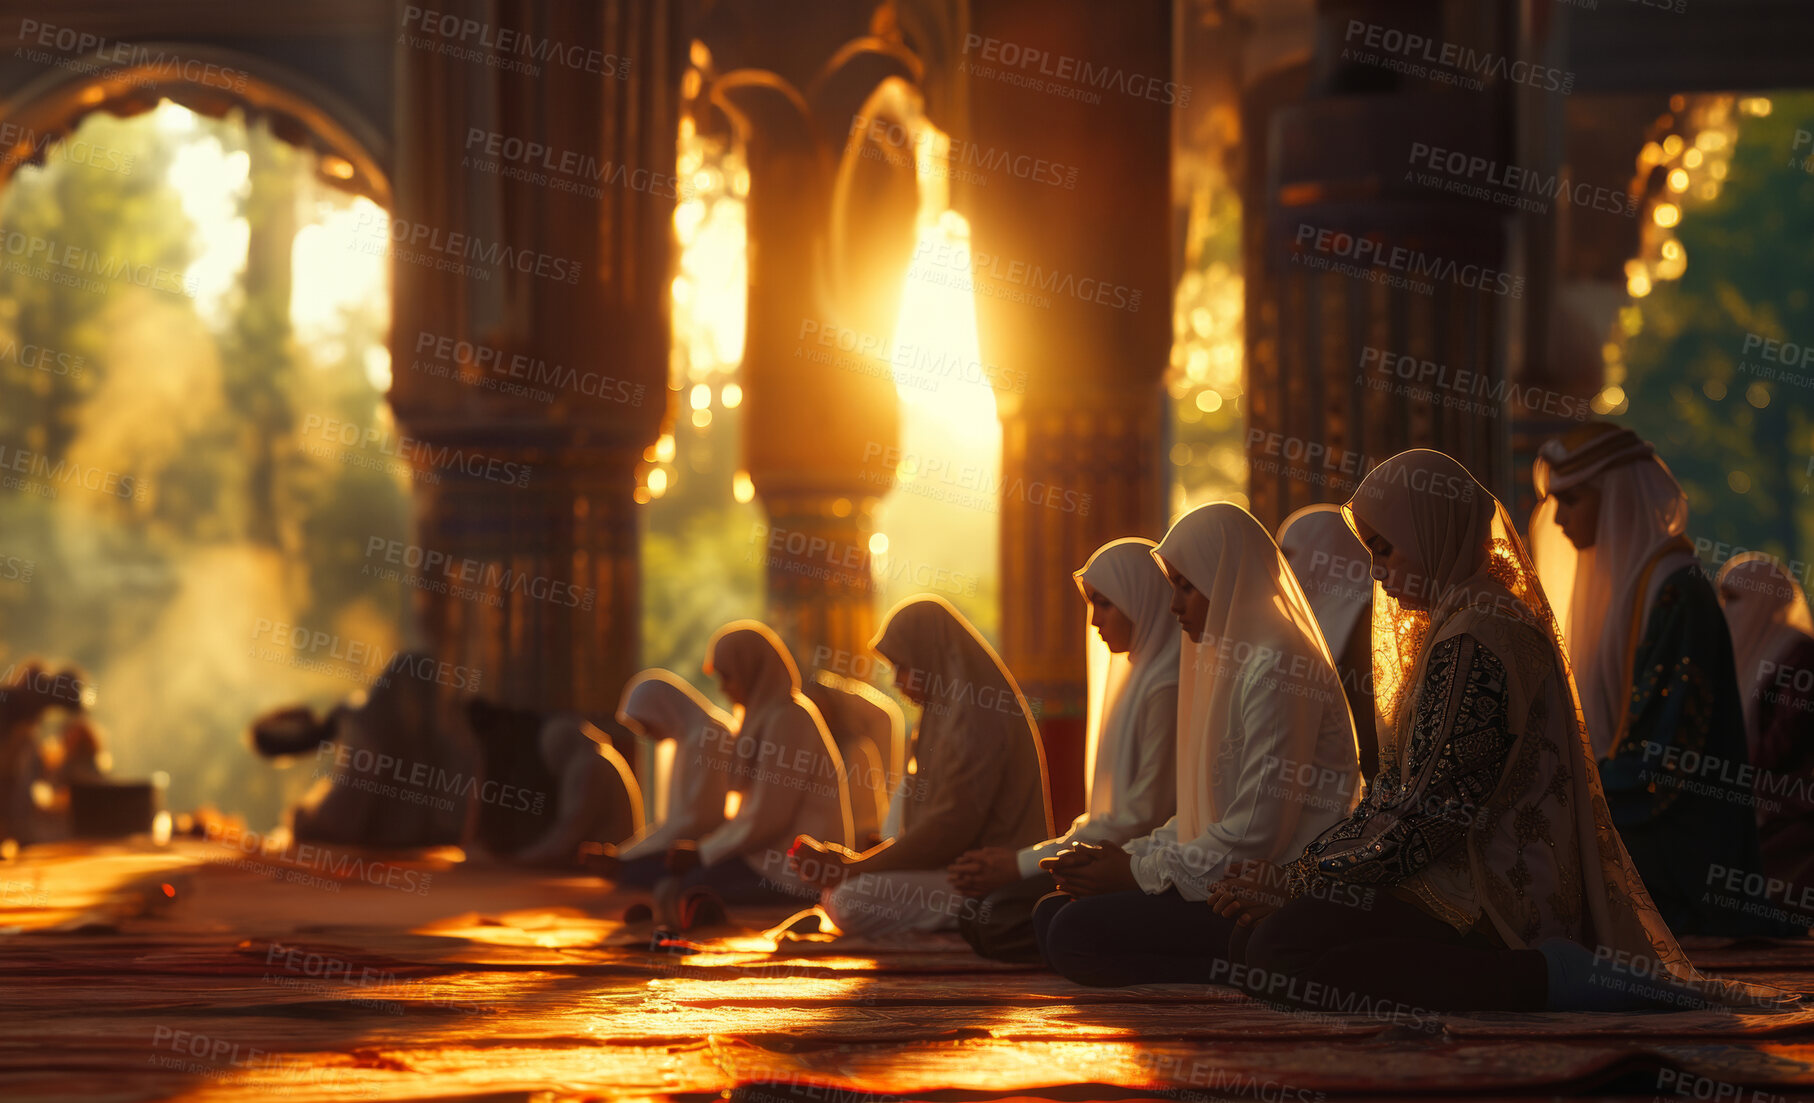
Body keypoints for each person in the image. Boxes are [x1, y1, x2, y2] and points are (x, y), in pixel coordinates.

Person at [1211, 450, 1795, 1014]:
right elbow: (1394, 793)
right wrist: (1298, 880)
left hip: (1489, 896)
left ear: (1431, 534)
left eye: (1386, 550)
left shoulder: (1478, 636)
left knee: (1277, 952)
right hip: (1435, 874)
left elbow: (1437, 814)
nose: (1376, 572)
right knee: (1257, 945)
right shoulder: (1456, 623)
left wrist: (1298, 880)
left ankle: (1545, 976)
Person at [1033, 503, 1361, 987]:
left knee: (1071, 931)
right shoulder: (1234, 658)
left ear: (1223, 576)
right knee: (1051, 915)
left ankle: (1257, 971)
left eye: (1187, 586)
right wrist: (1120, 858)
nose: (1174, 606)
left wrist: (1135, 872)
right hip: (1218, 873)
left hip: (1259, 889)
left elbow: (1256, 834)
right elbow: (1204, 817)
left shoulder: (1278, 663)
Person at [1531, 423, 1782, 935]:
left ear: (1616, 498)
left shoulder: (1678, 591)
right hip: (1626, 802)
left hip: (1676, 834)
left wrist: (1583, 797)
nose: (1557, 519)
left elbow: (1668, 756)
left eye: (1572, 500)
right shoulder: (1614, 585)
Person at [948, 538, 1179, 963]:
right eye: (1092, 604)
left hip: (1145, 863)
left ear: (1141, 599)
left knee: (1004, 917)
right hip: (1109, 852)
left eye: (1105, 604)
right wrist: (1038, 858)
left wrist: (1022, 863)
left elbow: (1142, 816)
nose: (1094, 621)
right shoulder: (1137, 678)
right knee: (983, 914)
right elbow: (1112, 815)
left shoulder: (1168, 686)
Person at [791, 595, 1052, 938]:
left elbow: (951, 830)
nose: (897, 681)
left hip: (989, 877)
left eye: (903, 666)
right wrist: (858, 862)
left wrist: (853, 867)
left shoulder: (977, 714)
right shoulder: (941, 711)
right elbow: (931, 823)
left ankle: (985, 917)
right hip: (950, 868)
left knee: (849, 900)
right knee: (841, 895)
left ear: (931, 657)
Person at [670, 622, 853, 908]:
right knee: (682, 879)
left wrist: (703, 852)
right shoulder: (767, 716)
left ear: (752, 671)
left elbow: (769, 818)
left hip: (791, 873)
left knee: (687, 883)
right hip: (769, 859)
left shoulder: (788, 719)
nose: (723, 688)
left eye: (728, 677)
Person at [254, 652, 471, 849]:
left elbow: (340, 818)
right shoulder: (355, 727)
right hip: (444, 806)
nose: (293, 724)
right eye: (283, 732)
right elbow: (344, 811)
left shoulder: (355, 722)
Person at [1717, 553, 1814, 889]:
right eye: (1723, 597)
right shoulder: (1751, 651)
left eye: (1735, 597)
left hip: (1790, 812)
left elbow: (1782, 743)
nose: (1725, 607)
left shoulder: (1799, 655)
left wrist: (1727, 775)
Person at [605, 670, 735, 888]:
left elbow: (699, 821)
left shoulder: (708, 736)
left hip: (706, 847)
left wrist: (625, 856)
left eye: (646, 725)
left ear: (660, 710)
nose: (647, 735)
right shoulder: (687, 739)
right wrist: (625, 852)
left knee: (633, 873)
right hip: (691, 843)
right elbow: (678, 822)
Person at [1278, 504, 1379, 780]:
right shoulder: (1310, 620)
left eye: (1289, 555)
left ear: (1324, 554)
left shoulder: (1370, 625)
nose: (1282, 571)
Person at [511, 715, 644, 869]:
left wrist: (524, 858)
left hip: (608, 861)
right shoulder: (596, 757)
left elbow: (569, 831)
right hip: (610, 856)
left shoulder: (586, 766)